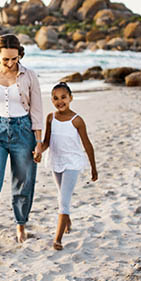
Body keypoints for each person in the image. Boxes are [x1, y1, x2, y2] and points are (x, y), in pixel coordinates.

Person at [0, 34, 43, 250]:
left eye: (15, 59)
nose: (11, 63)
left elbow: (37, 110)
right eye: (6, 59)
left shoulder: (29, 76)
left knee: (23, 182)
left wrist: (39, 141)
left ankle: (20, 225)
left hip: (23, 131)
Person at [34, 82, 98, 250]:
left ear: (71, 98)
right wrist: (39, 150)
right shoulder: (50, 118)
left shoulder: (77, 121)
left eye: (63, 97)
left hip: (72, 162)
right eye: (55, 98)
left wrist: (93, 167)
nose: (59, 101)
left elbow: (87, 144)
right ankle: (67, 218)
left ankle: (58, 239)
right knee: (61, 195)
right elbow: (47, 142)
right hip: (56, 160)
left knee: (64, 200)